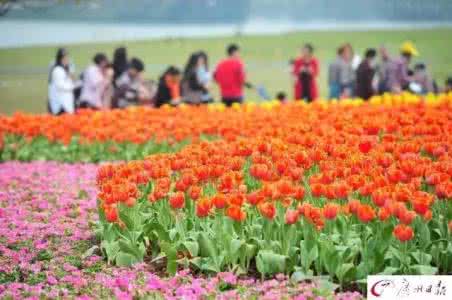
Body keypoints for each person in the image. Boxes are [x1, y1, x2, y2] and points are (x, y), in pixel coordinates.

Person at [48, 48, 76, 115]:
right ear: (61, 59)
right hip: (61, 105)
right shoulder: (57, 70)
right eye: (65, 57)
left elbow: (71, 80)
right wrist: (73, 86)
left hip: (67, 103)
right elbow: (61, 86)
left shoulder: (65, 69)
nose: (67, 59)